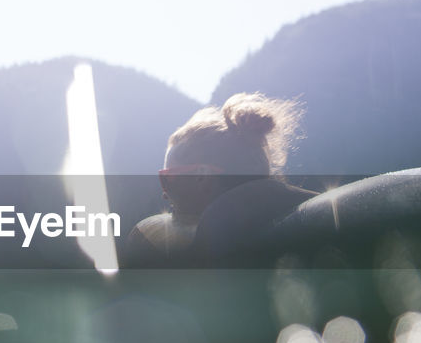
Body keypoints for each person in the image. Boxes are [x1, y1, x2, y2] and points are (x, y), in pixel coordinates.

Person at [123, 92, 314, 267]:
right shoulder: (315, 220)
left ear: (202, 177)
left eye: (168, 179)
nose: (164, 194)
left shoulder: (169, 250)